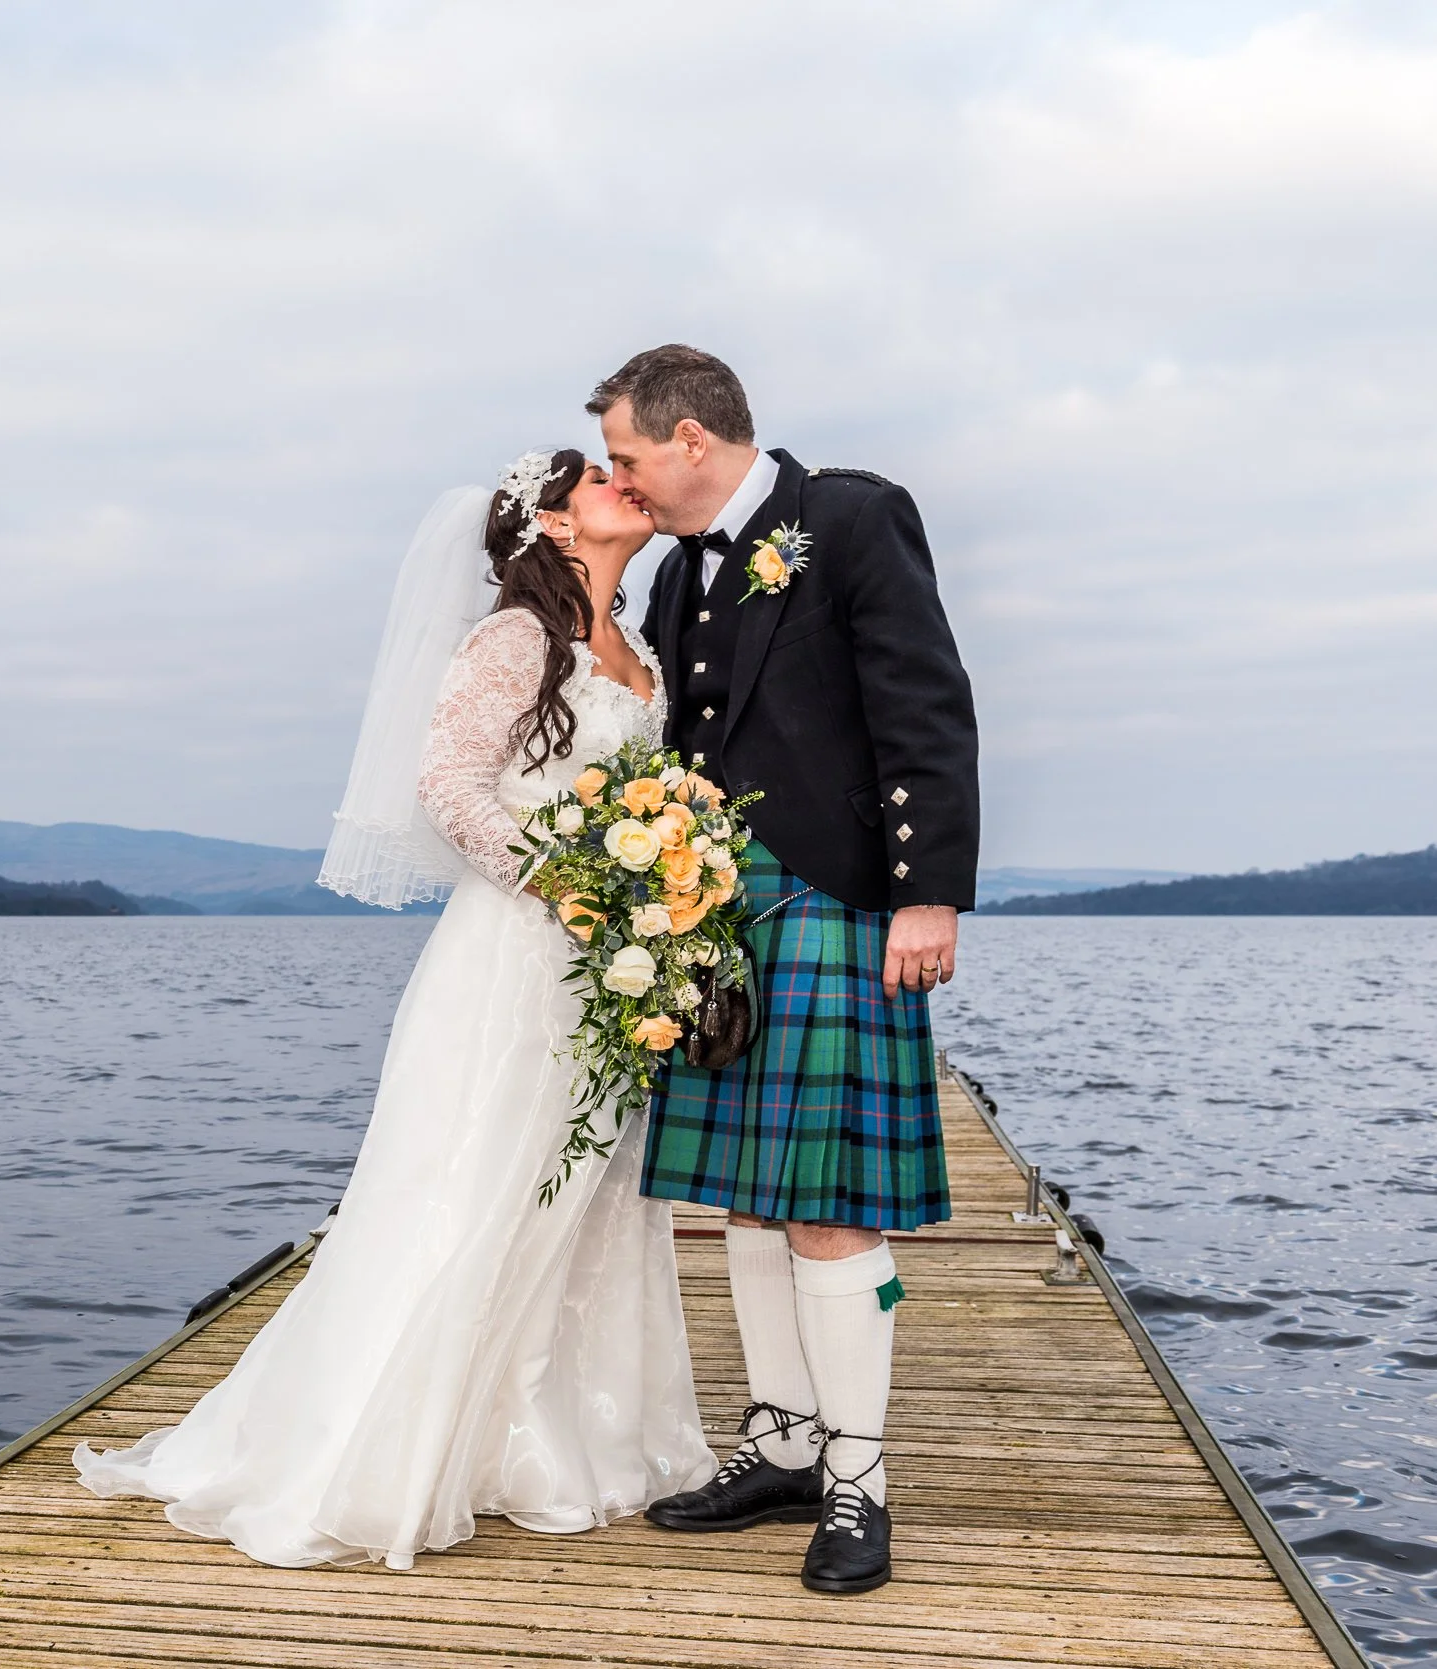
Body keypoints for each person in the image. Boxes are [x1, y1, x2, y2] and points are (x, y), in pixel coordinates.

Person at [72, 450, 716, 1569]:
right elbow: (448, 787)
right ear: (558, 525)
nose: (631, 483)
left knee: (586, 1193)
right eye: (605, 480)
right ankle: (390, 1451)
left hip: (607, 968)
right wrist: (568, 886)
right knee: (476, 1181)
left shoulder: (641, 649)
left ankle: (556, 1439)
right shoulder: (514, 641)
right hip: (515, 956)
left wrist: (660, 891)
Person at [593, 344, 980, 1595]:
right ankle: (783, 1441)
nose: (624, 479)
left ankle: (859, 1481)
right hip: (714, 912)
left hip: (828, 894)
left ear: (691, 438)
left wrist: (927, 892)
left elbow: (924, 701)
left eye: (628, 455)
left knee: (827, 1203)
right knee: (748, 1195)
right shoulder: (674, 579)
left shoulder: (851, 518)